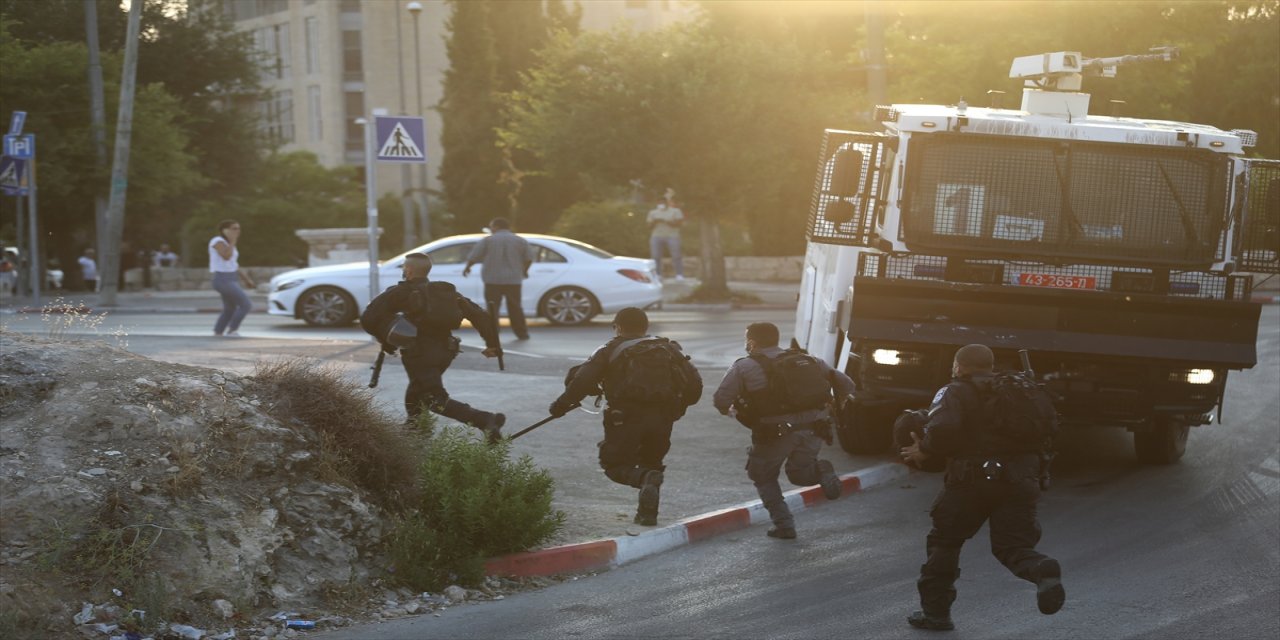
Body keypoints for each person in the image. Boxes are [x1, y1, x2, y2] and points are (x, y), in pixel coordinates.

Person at [899, 344, 1065, 631]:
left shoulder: (954, 391)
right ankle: (1040, 569)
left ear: (959, 366)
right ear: (990, 366)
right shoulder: (1020, 390)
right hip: (1022, 479)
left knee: (945, 542)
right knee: (1013, 546)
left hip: (971, 480)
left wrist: (923, 451)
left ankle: (936, 614)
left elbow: (942, 430)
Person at [549, 307, 702, 526]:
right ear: (645, 327)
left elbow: (582, 380)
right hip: (662, 417)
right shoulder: (669, 348)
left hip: (624, 417)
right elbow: (695, 385)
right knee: (653, 463)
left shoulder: (609, 349)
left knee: (614, 465)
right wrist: (676, 408)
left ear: (618, 327)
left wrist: (560, 405)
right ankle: (647, 514)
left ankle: (643, 480)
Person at [712, 322, 850, 540]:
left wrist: (729, 411)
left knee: (762, 475)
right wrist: (833, 406)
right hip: (815, 429)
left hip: (773, 434)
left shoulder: (744, 366)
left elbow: (721, 399)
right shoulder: (809, 359)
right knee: (799, 474)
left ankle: (784, 525)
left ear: (752, 342)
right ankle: (822, 470)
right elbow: (847, 384)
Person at [361, 252, 506, 441]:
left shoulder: (401, 292)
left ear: (409, 270)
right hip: (446, 351)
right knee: (417, 388)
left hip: (419, 353)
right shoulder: (447, 292)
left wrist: (387, 337)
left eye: (405, 267)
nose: (404, 271)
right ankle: (415, 427)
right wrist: (492, 345)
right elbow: (481, 316)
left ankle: (485, 420)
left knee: (433, 399)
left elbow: (368, 318)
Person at [463, 218, 534, 340]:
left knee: (492, 307)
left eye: (491, 227)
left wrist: (468, 267)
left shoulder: (488, 240)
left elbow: (474, 256)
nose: (491, 229)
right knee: (515, 306)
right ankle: (521, 333)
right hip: (513, 279)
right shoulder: (520, 240)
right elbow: (529, 258)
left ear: (496, 227)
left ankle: (493, 333)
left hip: (492, 279)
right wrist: (524, 271)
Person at [208, 220, 256, 337]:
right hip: (222, 278)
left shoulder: (229, 244)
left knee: (230, 308)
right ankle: (232, 330)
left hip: (231, 277)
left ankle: (218, 332)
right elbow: (226, 256)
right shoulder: (217, 241)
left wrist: (246, 279)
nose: (237, 231)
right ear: (225, 230)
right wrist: (233, 241)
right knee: (246, 304)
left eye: (238, 228)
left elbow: (234, 264)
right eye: (234, 228)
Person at [646, 188, 684, 281]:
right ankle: (658, 274)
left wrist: (666, 221)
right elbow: (648, 226)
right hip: (656, 236)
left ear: (667, 203)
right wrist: (655, 221)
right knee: (656, 256)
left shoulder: (675, 211)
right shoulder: (653, 212)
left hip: (672, 236)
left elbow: (679, 224)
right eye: (659, 203)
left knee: (676, 255)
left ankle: (679, 274)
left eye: (663, 202)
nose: (661, 204)